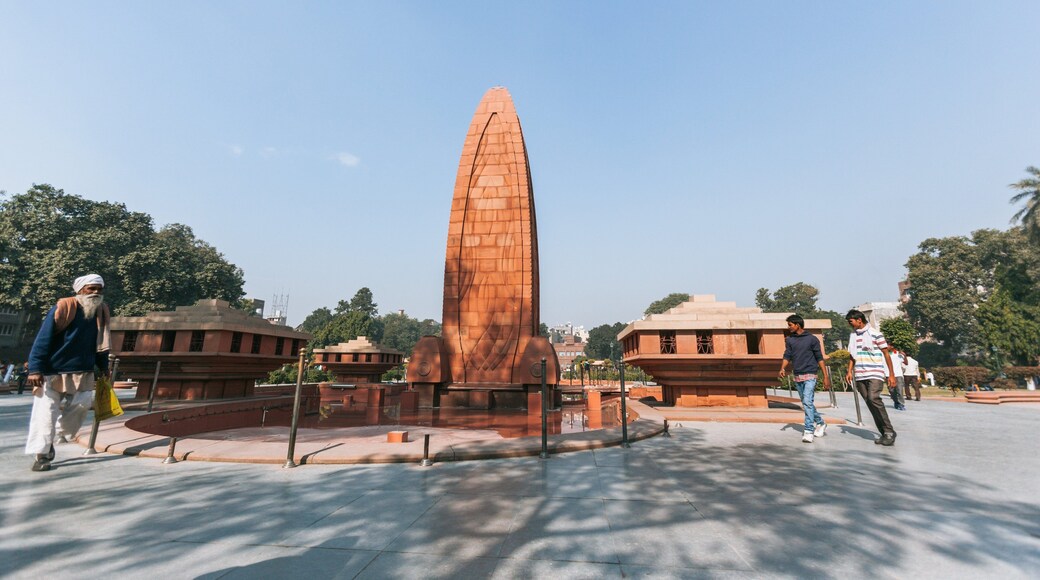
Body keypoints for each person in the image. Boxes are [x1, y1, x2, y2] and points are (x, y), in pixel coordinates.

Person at [25, 274, 111, 472]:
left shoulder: (102, 311)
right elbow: (42, 339)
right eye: (91, 288)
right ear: (80, 290)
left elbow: (101, 343)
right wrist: (35, 368)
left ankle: (55, 436)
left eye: (99, 289)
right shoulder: (63, 307)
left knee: (82, 405)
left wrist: (104, 367)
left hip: (83, 371)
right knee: (45, 414)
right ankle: (41, 455)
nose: (96, 293)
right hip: (52, 371)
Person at [845, 309, 898, 446]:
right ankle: (884, 433)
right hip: (860, 374)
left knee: (874, 398)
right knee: (869, 402)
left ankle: (889, 431)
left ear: (859, 320)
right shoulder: (853, 336)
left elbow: (886, 354)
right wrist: (849, 371)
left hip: (875, 372)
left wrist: (891, 375)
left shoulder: (875, 334)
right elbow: (852, 355)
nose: (850, 324)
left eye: (851, 322)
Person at [779, 314, 831, 443]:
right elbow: (787, 355)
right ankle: (820, 422)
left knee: (807, 401)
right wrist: (782, 368)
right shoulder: (790, 340)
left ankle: (808, 430)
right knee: (806, 403)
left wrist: (826, 376)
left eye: (790, 325)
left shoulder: (812, 339)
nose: (788, 327)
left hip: (810, 374)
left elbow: (820, 358)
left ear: (797, 324)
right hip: (798, 374)